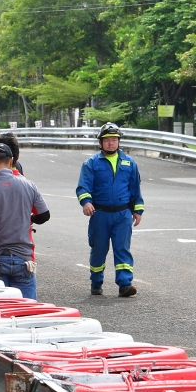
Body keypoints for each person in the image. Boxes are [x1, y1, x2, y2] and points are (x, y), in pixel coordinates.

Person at [0, 143, 49, 299]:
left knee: (0, 310)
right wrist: (30, 218)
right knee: (27, 310)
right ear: (12, 162)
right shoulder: (28, 185)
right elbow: (44, 215)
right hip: (24, 258)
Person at [76, 123, 144, 297]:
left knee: (122, 248)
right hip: (100, 215)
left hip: (123, 214)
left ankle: (125, 284)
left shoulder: (129, 163)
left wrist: (138, 210)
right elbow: (83, 187)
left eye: (114, 140)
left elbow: (135, 188)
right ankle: (96, 283)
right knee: (99, 249)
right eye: (107, 140)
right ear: (100, 142)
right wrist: (86, 202)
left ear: (119, 142)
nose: (111, 143)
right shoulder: (91, 164)